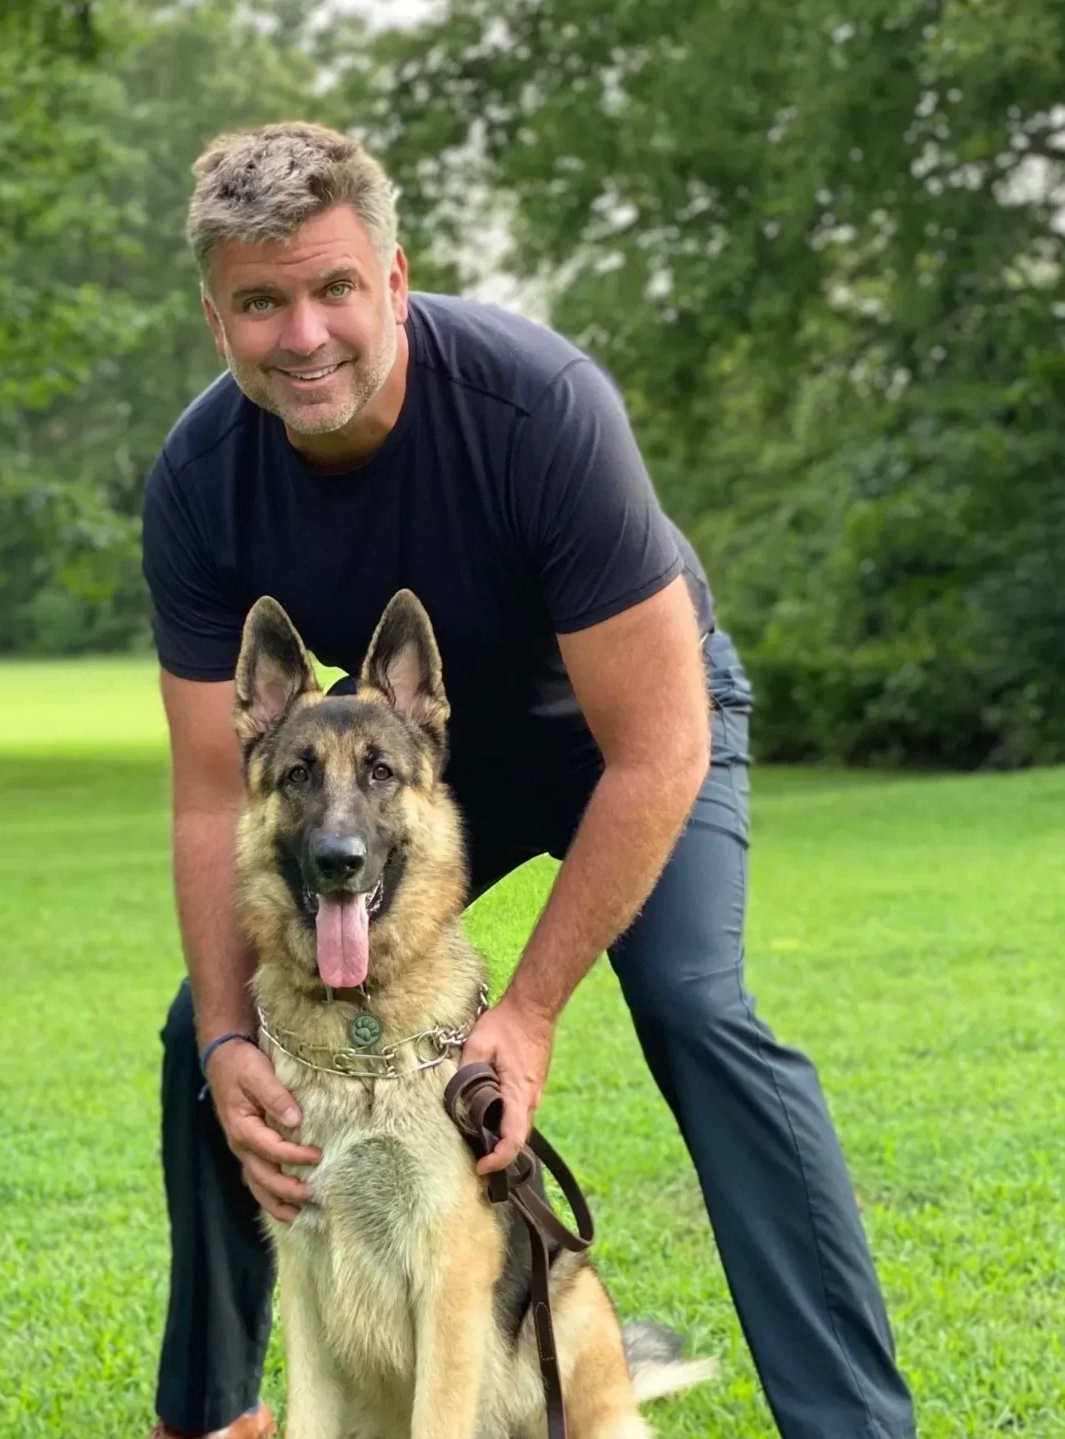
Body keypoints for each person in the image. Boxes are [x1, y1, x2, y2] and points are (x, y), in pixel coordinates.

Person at [139, 121, 917, 1439]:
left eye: (333, 287)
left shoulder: (535, 407)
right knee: (197, 1034)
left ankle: (850, 1422)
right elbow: (218, 793)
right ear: (217, 317)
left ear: (393, 281)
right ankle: (211, 1411)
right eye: (260, 302)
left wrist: (535, 1008)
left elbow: (656, 745)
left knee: (691, 1006)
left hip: (634, 728)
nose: (304, 331)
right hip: (412, 765)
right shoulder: (203, 479)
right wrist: (225, 1034)